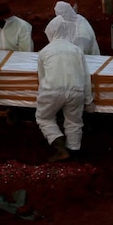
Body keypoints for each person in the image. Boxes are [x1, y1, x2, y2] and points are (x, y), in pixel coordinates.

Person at [36, 17, 95, 163]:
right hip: (76, 90)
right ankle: (74, 151)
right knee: (74, 121)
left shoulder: (44, 52)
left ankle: (59, 147)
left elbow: (41, 77)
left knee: (44, 118)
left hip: (52, 90)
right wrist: (89, 100)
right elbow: (85, 76)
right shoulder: (76, 50)